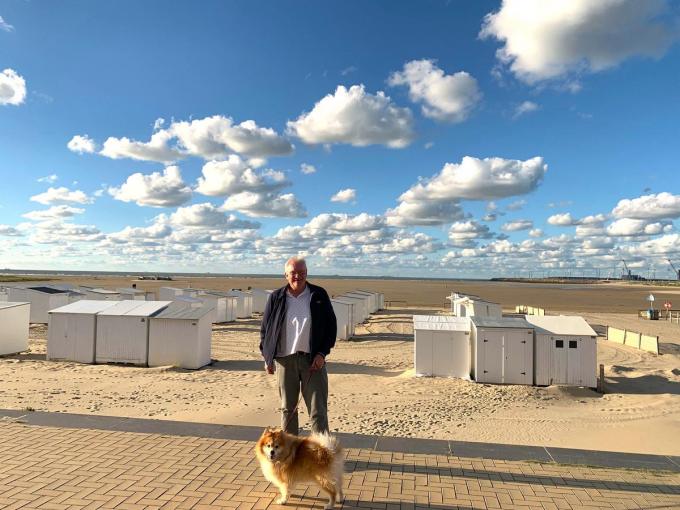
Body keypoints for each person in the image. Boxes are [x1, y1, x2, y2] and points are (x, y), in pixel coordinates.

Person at [260, 256, 337, 435]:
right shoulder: (276, 297)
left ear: (306, 273)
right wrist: (267, 357)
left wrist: (322, 354)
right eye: (293, 273)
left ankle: (320, 455)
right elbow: (266, 331)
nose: (297, 276)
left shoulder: (318, 295)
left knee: (318, 411)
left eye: (301, 273)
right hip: (284, 361)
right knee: (288, 409)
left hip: (313, 361)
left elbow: (331, 328)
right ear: (285, 275)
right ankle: (290, 453)